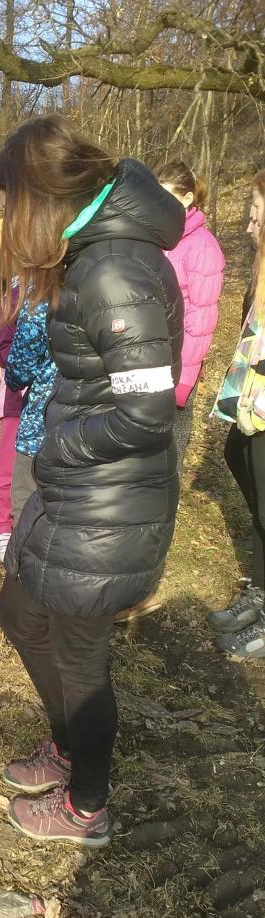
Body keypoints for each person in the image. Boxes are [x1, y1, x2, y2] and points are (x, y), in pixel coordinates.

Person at [0, 115, 184, 847]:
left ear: (41, 196)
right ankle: (69, 747)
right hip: (79, 490)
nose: (8, 218)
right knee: (20, 614)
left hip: (109, 500)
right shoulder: (92, 253)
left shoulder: (112, 271)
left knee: (80, 656)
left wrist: (59, 448)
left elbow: (147, 413)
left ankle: (86, 807)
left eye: (12, 201)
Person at [208, 170, 265, 658]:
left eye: (256, 214)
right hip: (253, 397)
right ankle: (261, 592)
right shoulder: (261, 268)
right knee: (237, 458)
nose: (248, 225)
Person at [156, 160, 225, 465]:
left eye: (166, 197)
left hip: (181, 364)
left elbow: (201, 321)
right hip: (154, 356)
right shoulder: (163, 239)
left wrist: (183, 379)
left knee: (171, 448)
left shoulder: (203, 248)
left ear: (186, 198)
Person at [4, 301, 55, 521]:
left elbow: (19, 369)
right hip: (100, 426)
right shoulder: (116, 286)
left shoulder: (43, 297)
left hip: (42, 426)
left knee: (27, 511)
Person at [0, 318, 24, 563]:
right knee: (9, 464)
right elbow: (0, 350)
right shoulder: (14, 301)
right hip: (17, 399)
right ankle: (2, 527)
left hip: (55, 396)